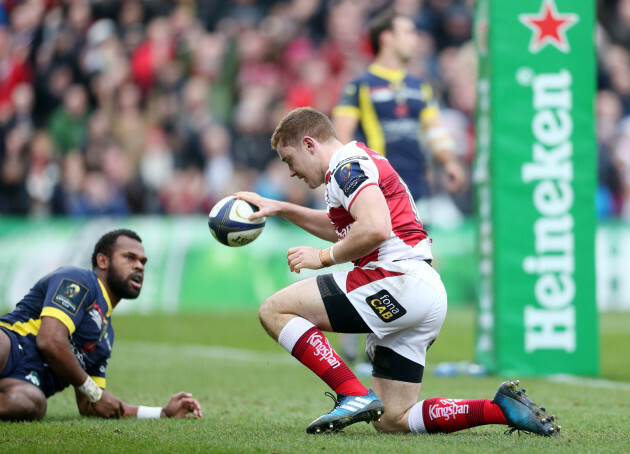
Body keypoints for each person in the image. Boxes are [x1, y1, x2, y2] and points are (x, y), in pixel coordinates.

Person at [236, 107, 560, 436]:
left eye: (289, 160)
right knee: (392, 419)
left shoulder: (346, 168)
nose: (291, 173)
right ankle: (500, 409)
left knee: (274, 310)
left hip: (395, 280)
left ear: (309, 144)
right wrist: (281, 209)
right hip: (422, 291)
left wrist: (324, 257)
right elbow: (345, 227)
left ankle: (350, 392)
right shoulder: (355, 163)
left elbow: (375, 228)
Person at [332, 9, 467, 368]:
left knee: (416, 265)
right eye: (408, 32)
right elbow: (341, 137)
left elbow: (434, 130)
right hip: (376, 188)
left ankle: (383, 346)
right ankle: (360, 344)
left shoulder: (419, 86)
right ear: (386, 37)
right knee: (378, 263)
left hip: (414, 189)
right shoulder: (359, 85)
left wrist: (450, 161)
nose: (416, 39)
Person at [0, 229, 203, 421]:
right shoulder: (79, 280)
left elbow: (92, 404)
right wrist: (94, 392)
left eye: (143, 261)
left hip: (22, 385)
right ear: (103, 260)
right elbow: (50, 340)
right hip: (10, 346)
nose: (139, 266)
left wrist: (162, 413)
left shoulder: (105, 338)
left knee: (31, 403)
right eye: (130, 258)